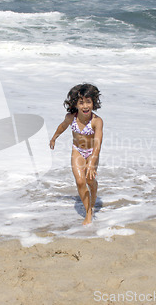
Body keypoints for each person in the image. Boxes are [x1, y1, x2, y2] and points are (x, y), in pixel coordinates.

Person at [50, 83, 103, 225]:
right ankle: (88, 212)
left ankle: (94, 193)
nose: (85, 106)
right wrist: (54, 137)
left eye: (88, 102)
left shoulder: (97, 121)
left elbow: (97, 143)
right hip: (77, 150)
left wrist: (92, 162)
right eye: (81, 103)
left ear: (94, 102)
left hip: (92, 152)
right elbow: (62, 126)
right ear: (75, 104)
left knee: (90, 180)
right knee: (80, 181)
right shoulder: (71, 117)